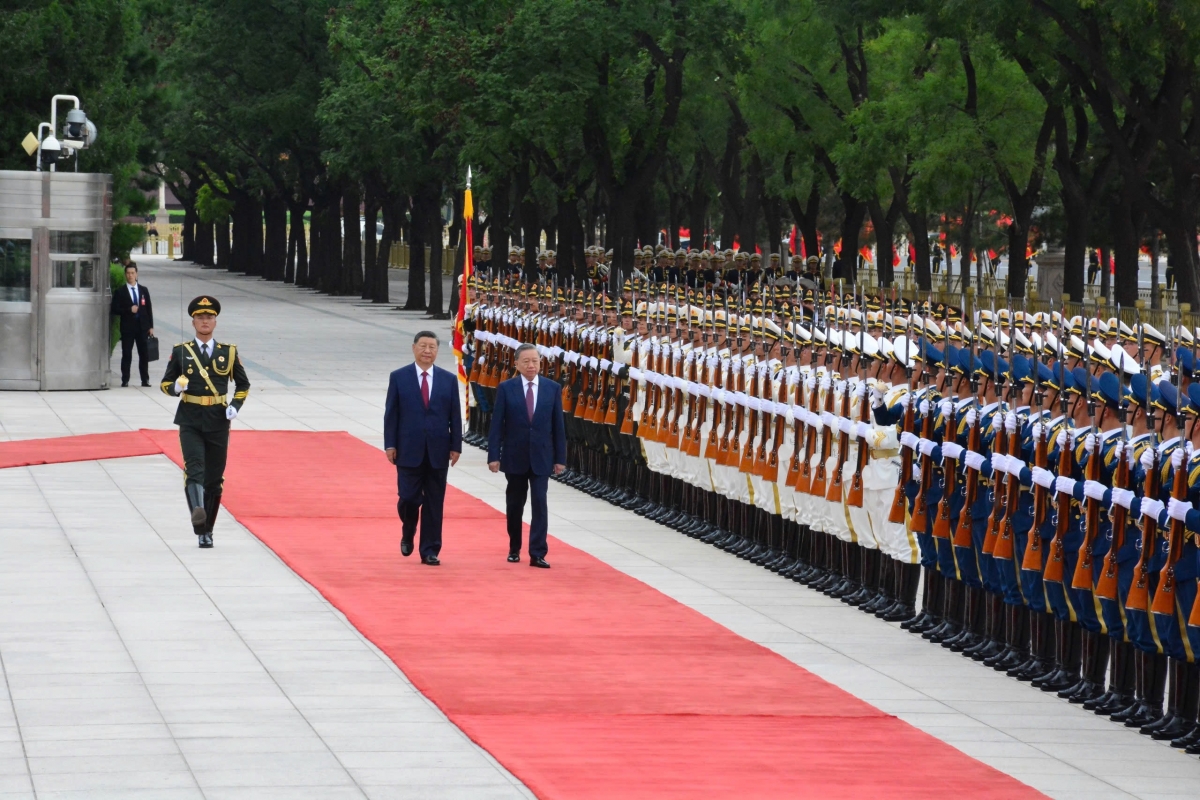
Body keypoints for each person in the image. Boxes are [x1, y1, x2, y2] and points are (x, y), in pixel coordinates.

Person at [159, 295, 250, 548]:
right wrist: (176, 387)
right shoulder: (181, 352)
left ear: (215, 322)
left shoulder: (228, 352)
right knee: (194, 468)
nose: (205, 321)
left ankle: (207, 529)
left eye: (209, 317)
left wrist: (235, 405)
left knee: (214, 478)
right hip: (190, 418)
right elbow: (165, 385)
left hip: (219, 420)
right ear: (193, 322)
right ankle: (199, 519)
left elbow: (243, 384)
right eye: (200, 317)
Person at [384, 331, 463, 566]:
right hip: (408, 449)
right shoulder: (399, 377)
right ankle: (408, 529)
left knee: (434, 502)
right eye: (423, 346)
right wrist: (390, 444)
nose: (427, 351)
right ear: (414, 348)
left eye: (432, 347)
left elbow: (455, 416)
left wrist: (456, 445)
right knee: (408, 498)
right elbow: (392, 414)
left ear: (437, 351)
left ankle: (430, 549)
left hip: (438, 450)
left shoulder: (448, 380)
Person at [487, 343, 566, 568]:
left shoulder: (552, 388)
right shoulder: (506, 388)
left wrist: (560, 458)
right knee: (515, 504)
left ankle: (538, 552)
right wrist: (494, 455)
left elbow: (558, 426)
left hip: (542, 456)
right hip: (515, 456)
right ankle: (514, 546)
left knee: (540, 503)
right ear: (517, 364)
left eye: (535, 361)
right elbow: (497, 426)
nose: (531, 366)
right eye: (526, 362)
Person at [110, 261, 154, 387]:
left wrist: (151, 326)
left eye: (132, 273)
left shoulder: (143, 290)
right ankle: (125, 379)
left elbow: (149, 309)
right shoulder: (121, 292)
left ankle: (145, 379)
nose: (130, 275)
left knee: (144, 354)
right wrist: (129, 310)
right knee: (127, 354)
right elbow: (114, 309)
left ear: (136, 274)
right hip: (128, 328)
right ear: (125, 275)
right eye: (128, 273)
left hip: (142, 328)